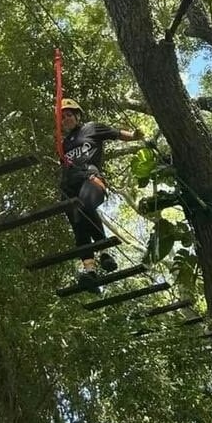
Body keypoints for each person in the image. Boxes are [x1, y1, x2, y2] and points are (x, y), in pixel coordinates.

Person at [59, 98, 143, 291]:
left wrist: (134, 135)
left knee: (85, 206)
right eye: (62, 118)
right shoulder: (63, 144)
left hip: (90, 179)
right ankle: (90, 270)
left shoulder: (91, 128)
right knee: (78, 223)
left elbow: (116, 134)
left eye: (69, 115)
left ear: (77, 115)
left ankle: (104, 251)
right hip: (69, 187)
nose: (66, 119)